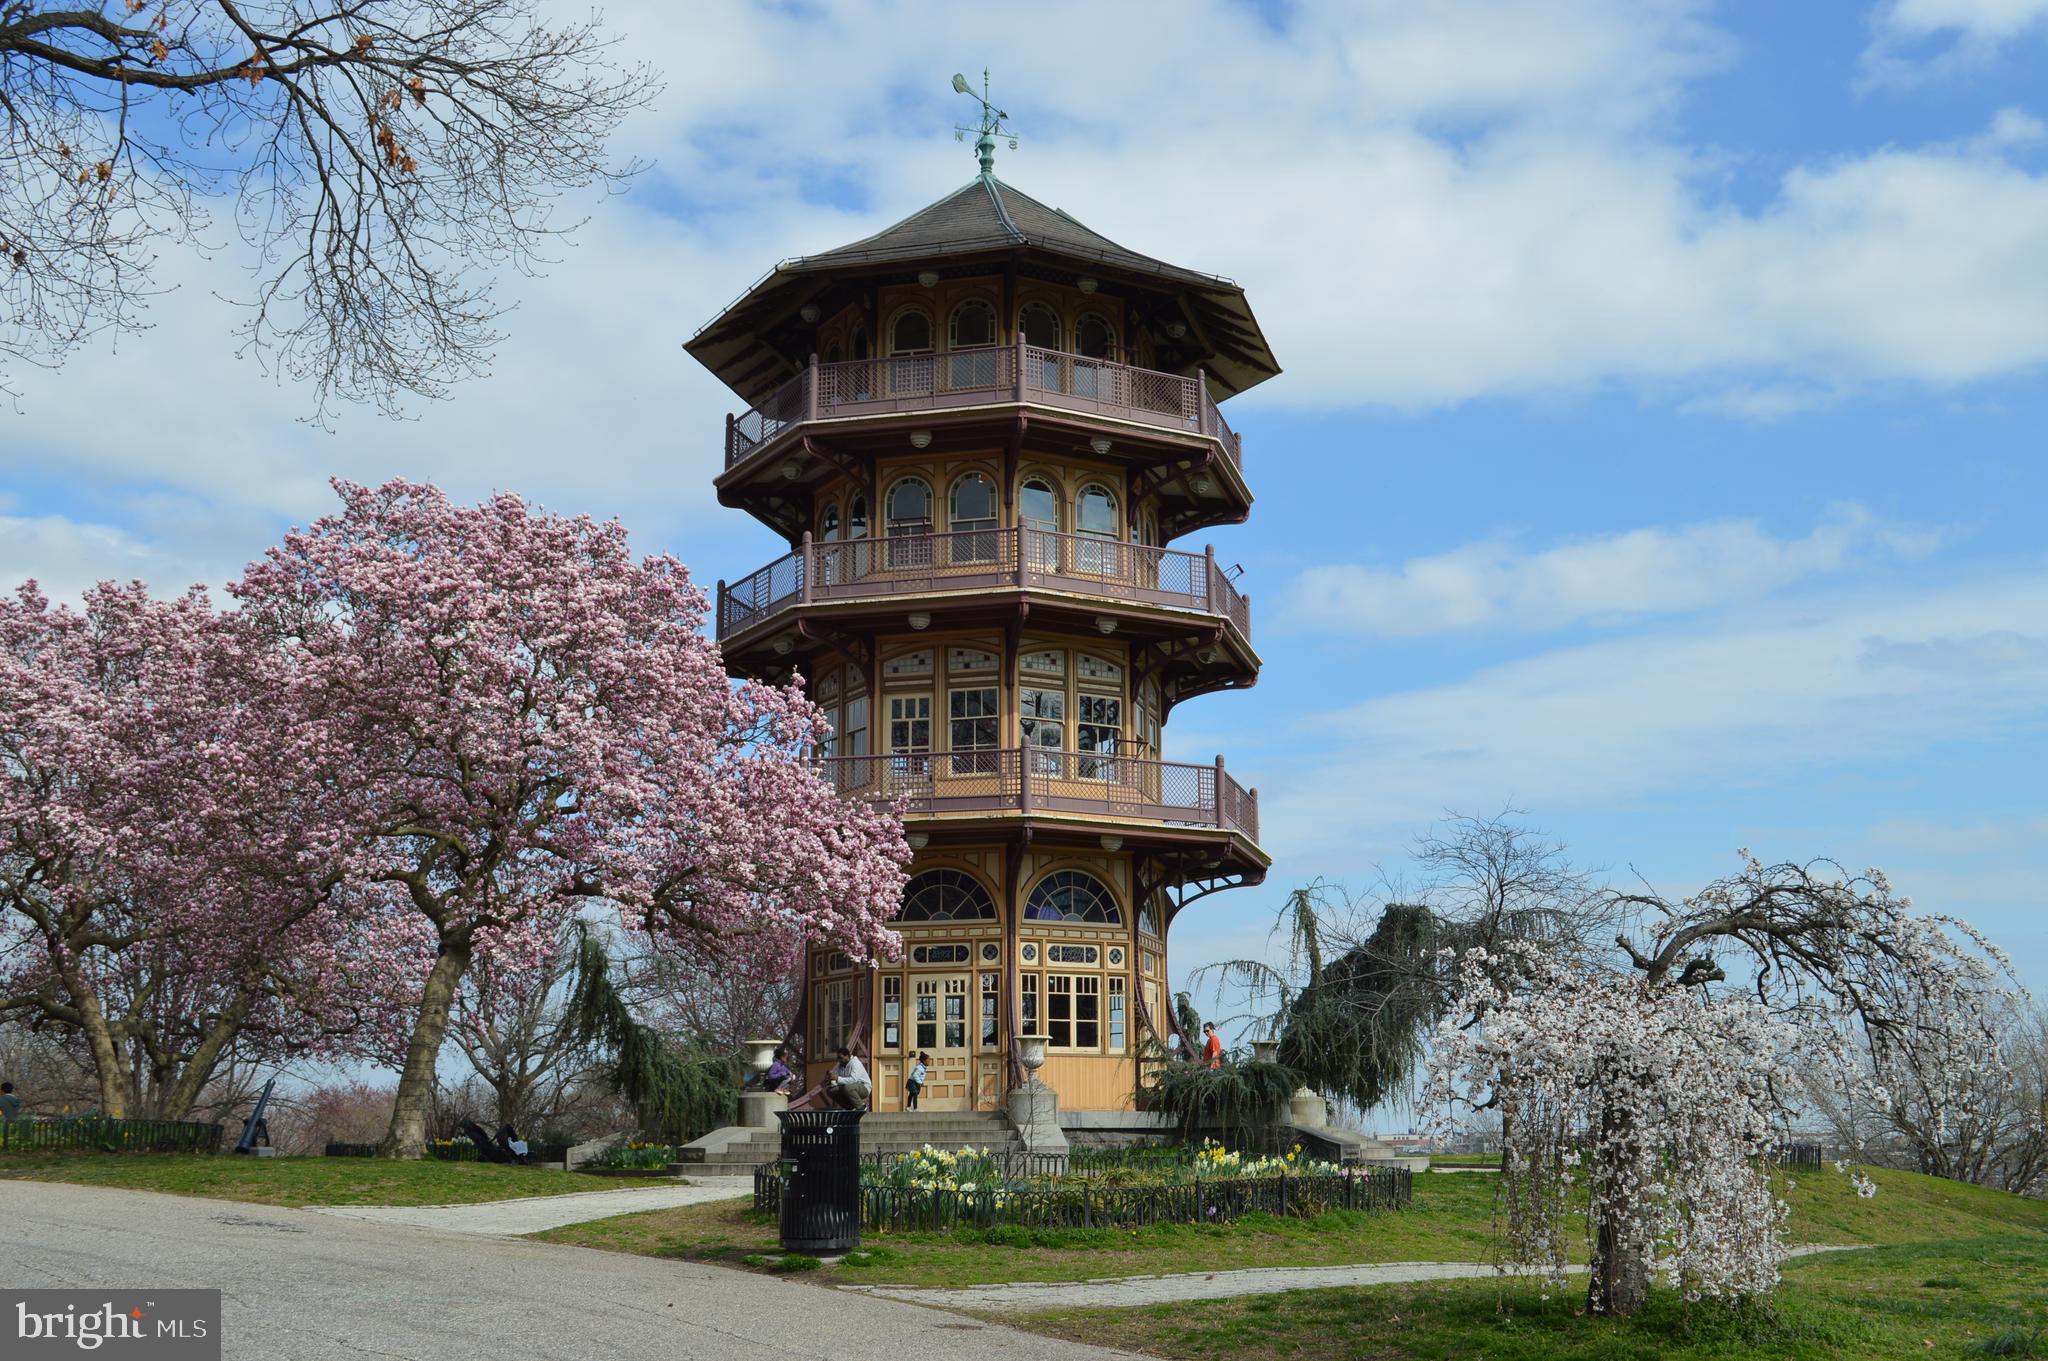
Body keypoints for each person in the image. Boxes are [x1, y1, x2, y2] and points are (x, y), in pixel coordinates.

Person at [823, 1046, 870, 1110]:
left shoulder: (855, 1063)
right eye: (838, 1058)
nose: (839, 1060)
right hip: (849, 1087)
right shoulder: (841, 1065)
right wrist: (831, 1081)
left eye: (841, 1058)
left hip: (863, 1088)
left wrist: (837, 1078)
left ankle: (861, 1107)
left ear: (847, 1056)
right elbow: (839, 1081)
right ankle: (850, 1107)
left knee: (847, 1087)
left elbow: (853, 1079)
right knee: (831, 1091)